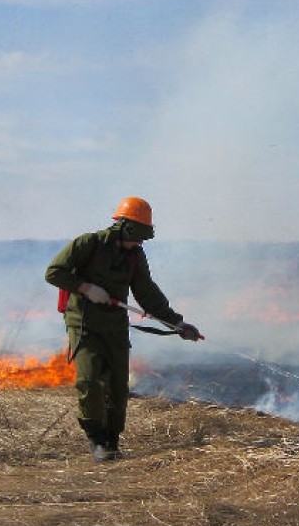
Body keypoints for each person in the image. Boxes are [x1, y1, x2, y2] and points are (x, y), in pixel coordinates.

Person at [45, 196, 202, 461]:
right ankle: (96, 440)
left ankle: (112, 440)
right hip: (84, 324)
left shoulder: (134, 256)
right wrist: (85, 288)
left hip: (115, 326)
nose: (140, 243)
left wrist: (177, 323)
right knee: (90, 379)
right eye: (138, 235)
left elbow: (147, 292)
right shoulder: (88, 244)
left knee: (118, 385)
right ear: (125, 227)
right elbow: (53, 272)